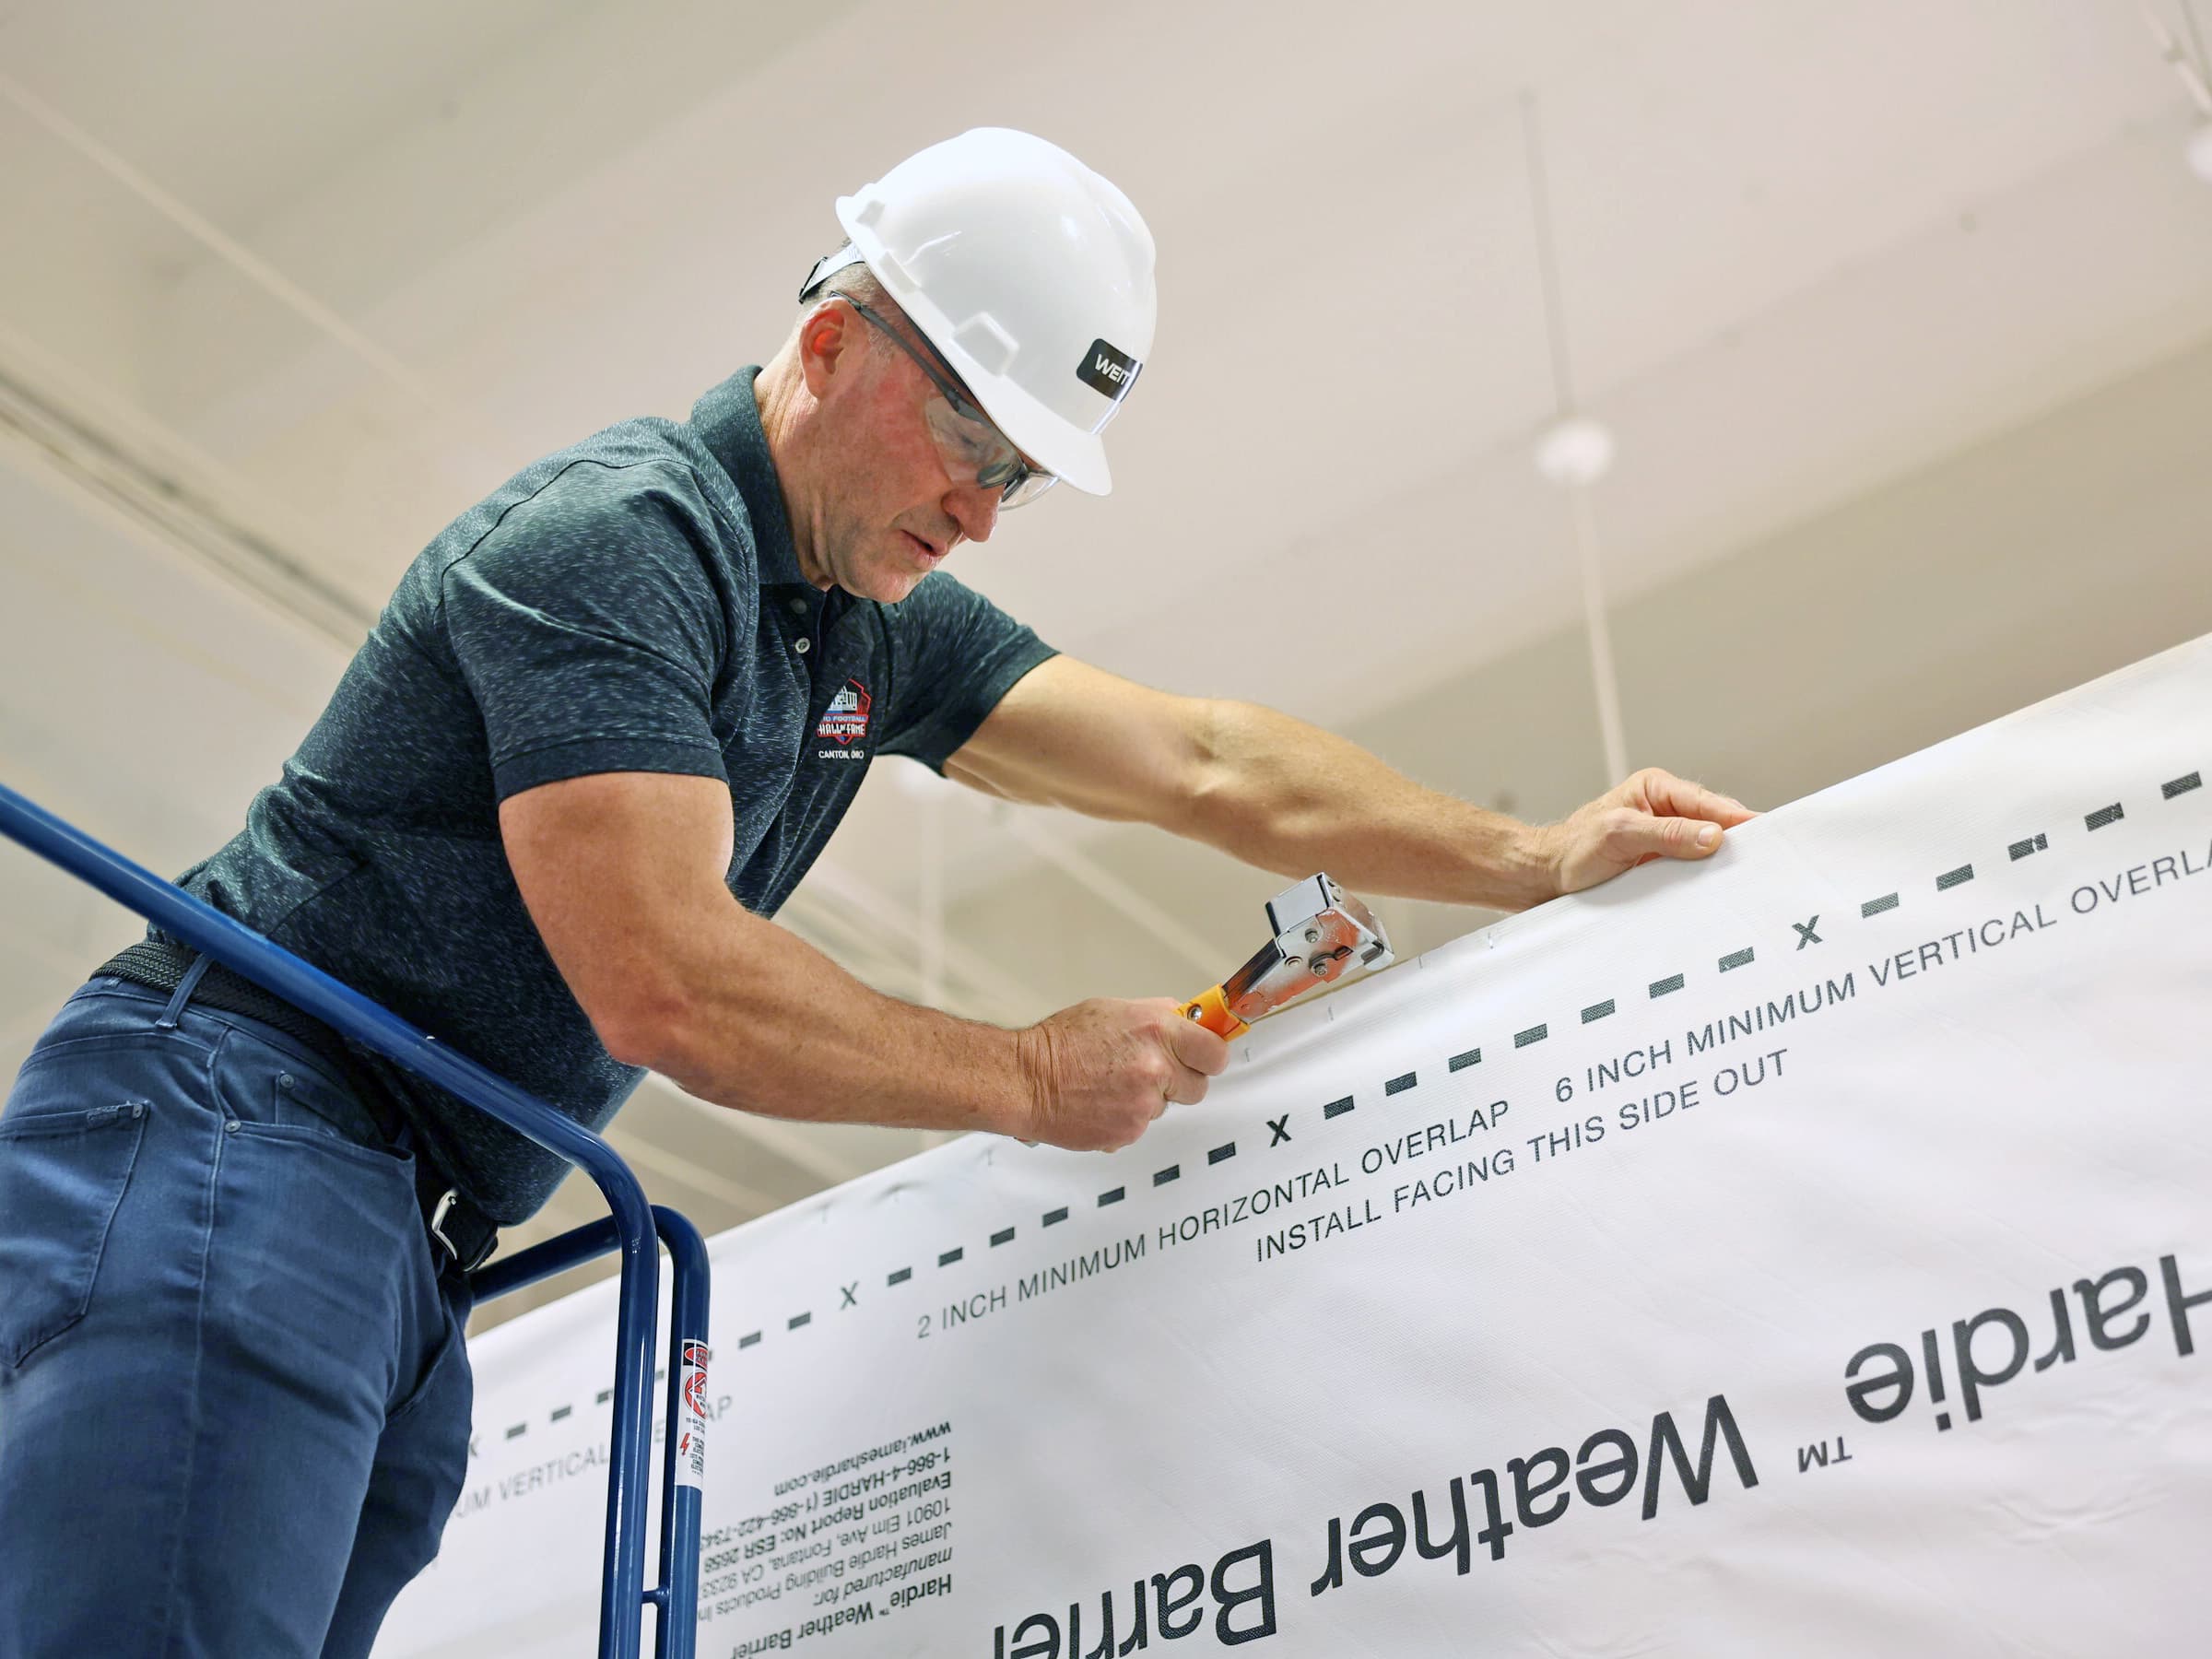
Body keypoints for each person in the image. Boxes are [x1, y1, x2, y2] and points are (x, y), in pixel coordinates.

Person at [0, 128, 1750, 1655]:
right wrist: (1026, 1077)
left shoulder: (859, 620)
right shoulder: (618, 544)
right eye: (972, 449)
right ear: (832, 347)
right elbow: (670, 985)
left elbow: (1212, 763)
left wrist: (1535, 858)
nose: (985, 518)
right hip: (236, 1122)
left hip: (406, 1224)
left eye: (1020, 480)